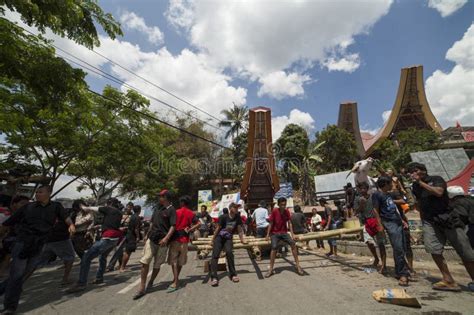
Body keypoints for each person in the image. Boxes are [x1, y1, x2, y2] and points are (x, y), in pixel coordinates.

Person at [0, 185, 75, 313]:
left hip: (39, 245)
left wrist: (71, 225)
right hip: (23, 243)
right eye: (37, 192)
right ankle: (10, 307)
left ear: (49, 193)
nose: (37, 194)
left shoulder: (56, 206)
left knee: (23, 274)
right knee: (17, 275)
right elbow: (7, 223)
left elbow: (66, 217)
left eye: (40, 192)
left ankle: (2, 289)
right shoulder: (27, 207)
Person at [409, 162, 474, 292]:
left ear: (423, 171)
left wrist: (420, 183)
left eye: (415, 171)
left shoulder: (436, 179)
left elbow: (439, 192)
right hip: (430, 221)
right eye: (411, 172)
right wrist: (422, 219)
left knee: (464, 251)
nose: (413, 174)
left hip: (447, 219)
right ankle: (448, 279)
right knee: (433, 249)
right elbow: (420, 203)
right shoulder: (415, 187)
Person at [67, 197, 123, 293]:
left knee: (86, 258)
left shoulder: (108, 209)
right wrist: (98, 226)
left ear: (108, 203)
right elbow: (111, 224)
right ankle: (99, 278)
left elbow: (89, 209)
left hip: (107, 238)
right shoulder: (119, 213)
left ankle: (81, 284)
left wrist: (82, 206)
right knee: (103, 257)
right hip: (114, 239)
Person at [133, 190, 176, 300]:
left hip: (163, 242)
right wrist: (146, 235)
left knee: (157, 265)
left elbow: (173, 226)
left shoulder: (171, 210)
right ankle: (142, 287)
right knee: (145, 261)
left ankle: (151, 281)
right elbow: (152, 222)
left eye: (160, 196)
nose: (159, 198)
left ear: (166, 197)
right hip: (152, 239)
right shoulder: (157, 208)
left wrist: (166, 238)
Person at [373, 176, 410, 286]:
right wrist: (380, 225)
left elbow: (394, 207)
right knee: (398, 247)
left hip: (397, 221)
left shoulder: (388, 195)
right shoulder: (376, 194)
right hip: (389, 223)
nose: (392, 185)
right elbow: (375, 210)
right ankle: (402, 274)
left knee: (402, 248)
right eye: (390, 183)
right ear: (385, 184)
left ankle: (400, 271)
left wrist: (402, 220)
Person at [34, 202, 76, 285]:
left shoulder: (45, 213)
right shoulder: (64, 214)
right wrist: (71, 228)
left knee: (38, 261)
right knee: (70, 257)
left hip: (47, 239)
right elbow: (70, 225)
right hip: (61, 239)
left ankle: (20, 278)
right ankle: (65, 279)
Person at [167, 196, 200, 292]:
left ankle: (176, 282)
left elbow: (170, 225)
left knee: (173, 261)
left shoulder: (176, 212)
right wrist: (189, 229)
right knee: (180, 261)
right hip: (185, 240)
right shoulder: (191, 213)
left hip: (175, 239)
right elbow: (198, 224)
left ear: (182, 202)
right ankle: (175, 279)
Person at [210, 202, 247, 286]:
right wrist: (212, 239)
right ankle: (214, 277)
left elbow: (240, 229)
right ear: (230, 209)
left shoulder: (237, 217)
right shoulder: (223, 217)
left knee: (229, 252)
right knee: (215, 255)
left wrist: (242, 239)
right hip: (219, 237)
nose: (237, 209)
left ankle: (233, 274)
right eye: (235, 208)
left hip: (228, 238)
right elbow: (218, 228)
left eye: (237, 208)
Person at [265, 197, 303, 277]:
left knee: (293, 244)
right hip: (275, 233)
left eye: (284, 204)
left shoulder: (287, 211)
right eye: (282, 205)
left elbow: (289, 223)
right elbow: (271, 223)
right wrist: (267, 235)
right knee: (274, 247)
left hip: (284, 232)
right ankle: (271, 269)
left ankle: (298, 266)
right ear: (278, 205)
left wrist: (292, 234)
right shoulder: (275, 211)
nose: (283, 206)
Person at [355, 182, 387, 274]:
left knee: (381, 244)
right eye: (361, 189)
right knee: (369, 242)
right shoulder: (358, 199)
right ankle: (376, 258)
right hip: (366, 223)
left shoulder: (373, 197)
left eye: (364, 188)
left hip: (376, 221)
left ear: (367, 189)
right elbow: (355, 212)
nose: (362, 190)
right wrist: (361, 206)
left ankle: (384, 265)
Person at [0, 196, 29, 275]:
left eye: (27, 204)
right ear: (14, 204)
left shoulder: (25, 216)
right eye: (22, 203)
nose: (25, 206)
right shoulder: (6, 215)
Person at [119, 205, 142, 273]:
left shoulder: (132, 216)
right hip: (132, 236)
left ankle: (122, 266)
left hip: (128, 234)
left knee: (127, 251)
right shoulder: (137, 217)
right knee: (128, 252)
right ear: (139, 210)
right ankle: (122, 267)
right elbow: (136, 229)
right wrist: (138, 237)